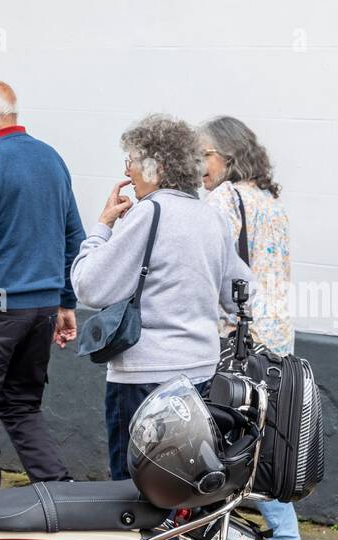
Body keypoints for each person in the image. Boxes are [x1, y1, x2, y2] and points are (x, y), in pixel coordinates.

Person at [70, 114, 251, 481]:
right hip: (200, 375)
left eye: (132, 161)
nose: (129, 171)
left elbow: (89, 286)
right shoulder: (210, 218)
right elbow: (240, 294)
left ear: (156, 166)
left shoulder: (149, 213)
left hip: (144, 378)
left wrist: (102, 227)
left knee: (134, 490)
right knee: (182, 486)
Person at [0, 80, 85, 492]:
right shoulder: (51, 159)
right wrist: (64, 300)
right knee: (22, 405)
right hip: (41, 311)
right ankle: (59, 493)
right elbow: (73, 237)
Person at [200, 115, 312, 540]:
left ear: (227, 156)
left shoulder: (223, 199)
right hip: (276, 340)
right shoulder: (271, 202)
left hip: (236, 337)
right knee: (265, 438)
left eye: (203, 154)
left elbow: (211, 270)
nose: (198, 164)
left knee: (230, 440)